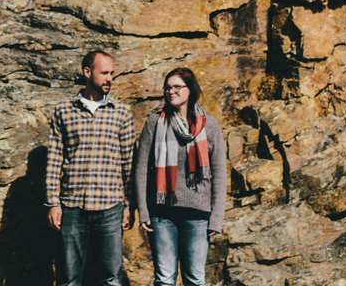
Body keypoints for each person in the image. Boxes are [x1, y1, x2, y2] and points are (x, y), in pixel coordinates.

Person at [45, 49, 136, 286]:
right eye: (104, 73)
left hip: (110, 207)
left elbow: (129, 163)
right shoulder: (63, 110)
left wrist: (128, 205)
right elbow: (54, 159)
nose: (110, 79)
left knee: (111, 278)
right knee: (68, 278)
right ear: (87, 72)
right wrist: (53, 203)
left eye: (112, 74)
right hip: (72, 207)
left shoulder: (122, 112)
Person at [132, 67, 227, 286]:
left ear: (190, 90)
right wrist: (144, 211)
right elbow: (141, 169)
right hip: (161, 214)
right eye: (167, 87)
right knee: (164, 279)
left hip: (198, 215)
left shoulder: (210, 126)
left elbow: (220, 174)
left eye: (177, 87)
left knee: (194, 279)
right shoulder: (154, 123)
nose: (171, 91)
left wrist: (217, 217)